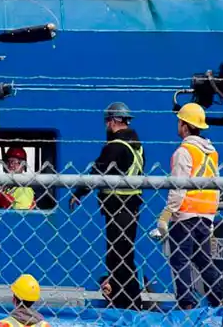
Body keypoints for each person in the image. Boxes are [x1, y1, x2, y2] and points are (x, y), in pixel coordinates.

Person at [69, 102, 145, 311]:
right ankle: (130, 304)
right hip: (131, 208)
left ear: (111, 121)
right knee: (124, 257)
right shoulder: (136, 145)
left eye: (107, 122)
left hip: (118, 208)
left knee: (117, 259)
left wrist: (79, 193)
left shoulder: (115, 146)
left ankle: (126, 305)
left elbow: (98, 171)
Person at [154, 102, 223, 310]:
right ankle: (218, 303)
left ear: (185, 126)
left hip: (185, 215)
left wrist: (167, 214)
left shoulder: (184, 152)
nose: (178, 126)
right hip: (205, 216)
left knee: (180, 260)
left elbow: (179, 186)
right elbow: (215, 185)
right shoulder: (211, 152)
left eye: (179, 122)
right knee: (204, 262)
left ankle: (186, 305)